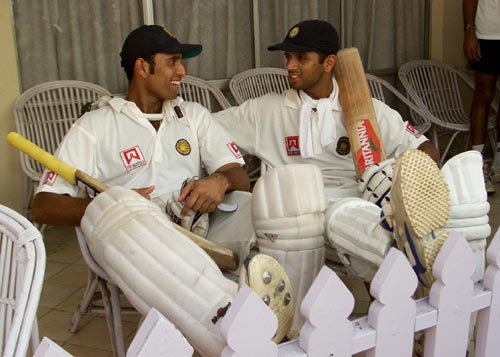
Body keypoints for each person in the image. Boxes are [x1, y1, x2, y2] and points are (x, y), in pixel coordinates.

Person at [31, 25, 294, 355]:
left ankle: (273, 316)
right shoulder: (95, 126)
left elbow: (237, 173)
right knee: (132, 220)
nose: (182, 71)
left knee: (268, 213)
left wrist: (219, 181)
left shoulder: (193, 116)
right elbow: (42, 206)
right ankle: (236, 324)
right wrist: (113, 202)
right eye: (172, 62)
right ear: (142, 67)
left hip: (197, 226)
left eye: (181, 62)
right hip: (129, 235)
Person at [215, 19, 490, 335]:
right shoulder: (265, 111)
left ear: (329, 63)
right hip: (294, 215)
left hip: (358, 203)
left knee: (365, 216)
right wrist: (219, 175)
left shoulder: (364, 109)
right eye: (287, 57)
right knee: (347, 221)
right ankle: (422, 266)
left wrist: (398, 175)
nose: (290, 66)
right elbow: (206, 133)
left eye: (301, 58)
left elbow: (425, 148)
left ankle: (420, 281)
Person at [463, 0, 500, 193]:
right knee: (483, 95)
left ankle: (498, 165)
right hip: (487, 34)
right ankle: (477, 166)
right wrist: (470, 31)